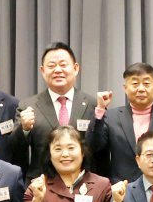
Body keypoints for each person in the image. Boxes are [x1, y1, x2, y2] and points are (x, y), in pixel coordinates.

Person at [90, 62, 153, 183]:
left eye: (146, 83)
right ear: (125, 88)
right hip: (121, 188)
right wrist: (100, 110)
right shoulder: (111, 117)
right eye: (135, 84)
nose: (141, 89)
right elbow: (94, 146)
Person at [18, 42, 100, 179]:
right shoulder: (28, 105)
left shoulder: (93, 105)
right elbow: (15, 149)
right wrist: (24, 129)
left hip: (84, 183)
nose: (57, 70)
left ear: (75, 68)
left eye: (63, 64)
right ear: (43, 71)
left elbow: (100, 150)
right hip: (42, 183)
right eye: (51, 66)